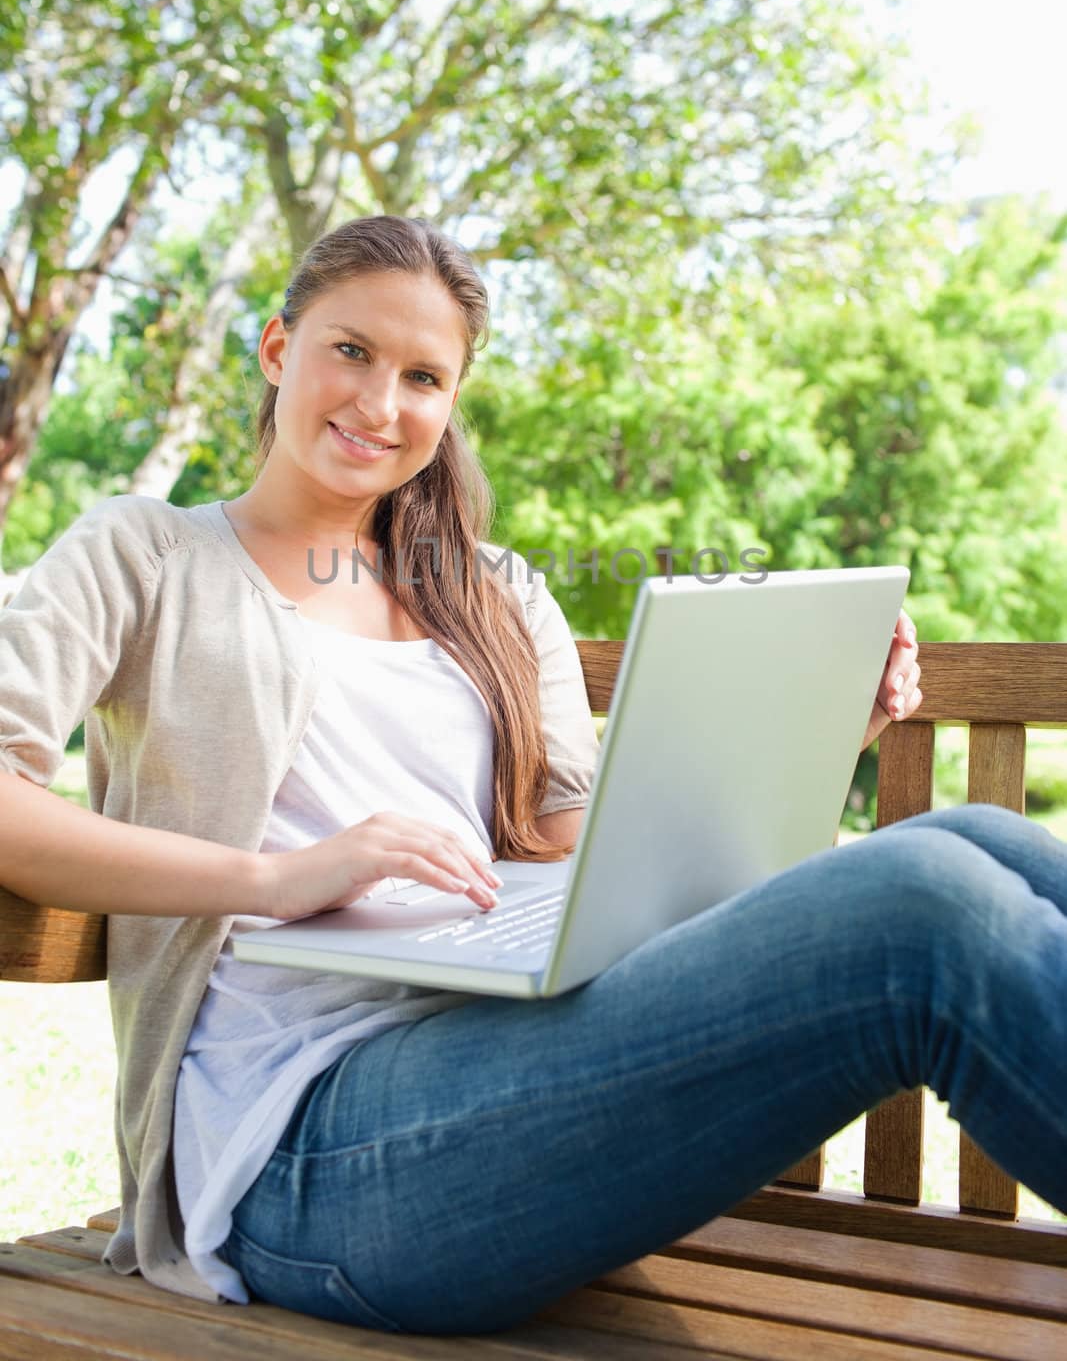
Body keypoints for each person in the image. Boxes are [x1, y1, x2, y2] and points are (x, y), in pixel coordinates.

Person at [1, 213, 1065, 1339]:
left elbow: (585, 844)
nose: (379, 403)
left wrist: (818, 730)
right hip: (303, 1148)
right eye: (349, 351)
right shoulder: (145, 554)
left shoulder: (496, 593)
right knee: (925, 909)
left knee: (978, 843)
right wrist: (275, 877)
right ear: (277, 349)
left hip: (507, 1054)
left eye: (423, 375)